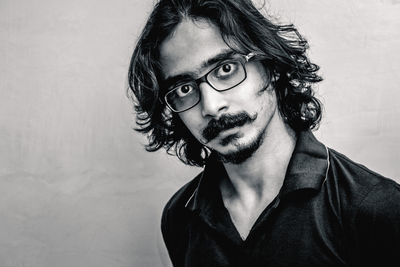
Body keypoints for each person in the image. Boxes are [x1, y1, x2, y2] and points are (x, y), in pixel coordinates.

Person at [128, 0, 400, 266]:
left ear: (269, 65)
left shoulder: (375, 208)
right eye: (184, 89)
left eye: (226, 69)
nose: (211, 106)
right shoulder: (179, 217)